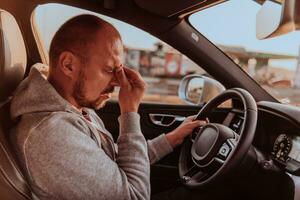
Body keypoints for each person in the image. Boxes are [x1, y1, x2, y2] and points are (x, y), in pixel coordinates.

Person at [10, 14, 205, 200]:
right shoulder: (50, 134)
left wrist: (173, 138)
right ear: (68, 65)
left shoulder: (72, 108)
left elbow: (116, 161)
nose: (118, 81)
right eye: (110, 70)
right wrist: (129, 111)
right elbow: (135, 196)